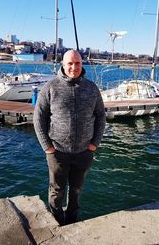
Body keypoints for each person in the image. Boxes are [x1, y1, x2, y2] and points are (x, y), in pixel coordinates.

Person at [33, 50, 106, 225]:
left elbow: (101, 116)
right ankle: (57, 220)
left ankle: (72, 220)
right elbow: (38, 118)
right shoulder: (50, 87)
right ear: (63, 65)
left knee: (76, 190)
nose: (74, 67)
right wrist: (47, 147)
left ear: (82, 64)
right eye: (70, 63)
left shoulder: (91, 88)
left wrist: (94, 144)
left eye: (78, 63)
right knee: (56, 191)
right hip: (57, 152)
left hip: (84, 152)